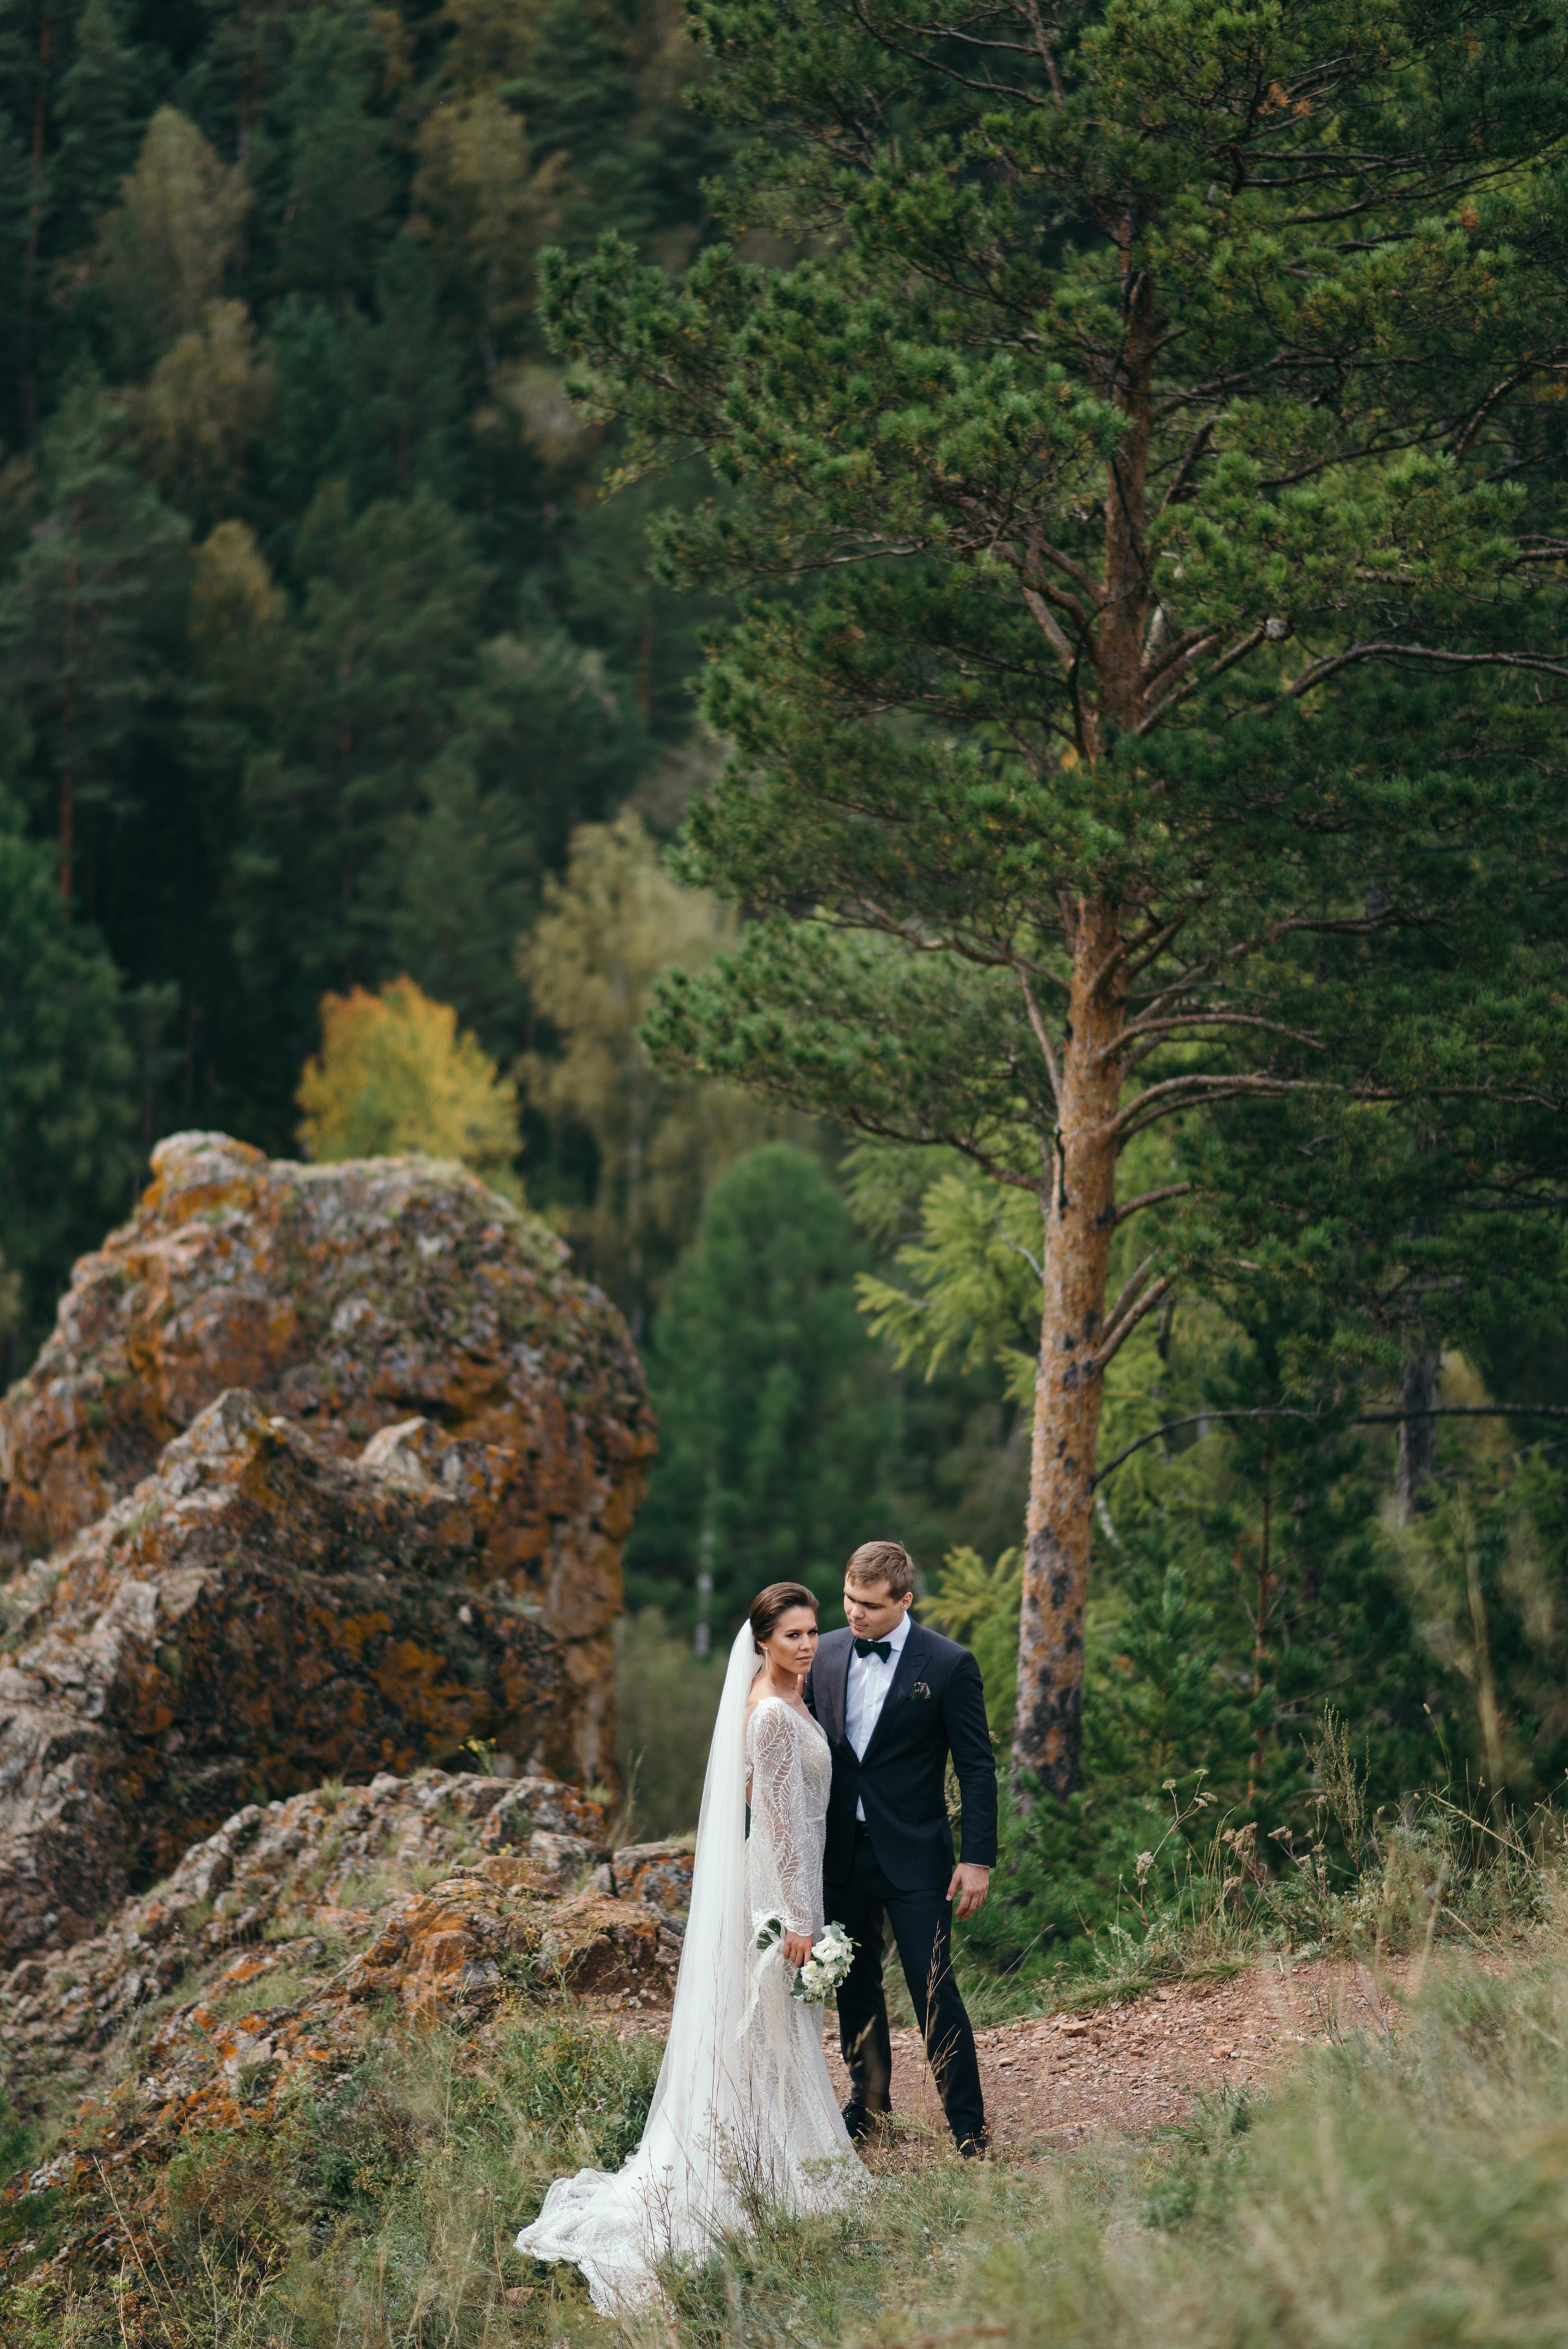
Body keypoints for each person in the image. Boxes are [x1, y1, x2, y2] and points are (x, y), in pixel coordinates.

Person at [516, 1582, 865, 2312]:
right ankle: (760, 2171)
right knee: (765, 2031)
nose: (808, 1645)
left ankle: (773, 2155)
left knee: (776, 2036)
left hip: (788, 1885)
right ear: (762, 1641)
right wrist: (800, 1920)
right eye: (792, 1635)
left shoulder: (791, 1698)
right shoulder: (770, 1715)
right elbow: (779, 1823)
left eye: (811, 1632)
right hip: (776, 1891)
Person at [805, 1539, 998, 2156]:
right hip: (841, 1853)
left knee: (932, 1987)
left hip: (917, 1855)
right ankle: (870, 2104)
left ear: (904, 1601)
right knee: (853, 1984)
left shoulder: (947, 1664)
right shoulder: (825, 1653)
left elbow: (976, 1766)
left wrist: (977, 1859)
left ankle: (968, 2126)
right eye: (848, 1600)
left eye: (869, 1605)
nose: (854, 1615)